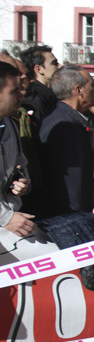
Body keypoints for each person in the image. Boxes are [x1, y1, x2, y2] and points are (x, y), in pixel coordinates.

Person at [38, 65, 94, 217]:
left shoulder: (62, 117)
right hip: (70, 216)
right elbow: (73, 180)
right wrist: (78, 216)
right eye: (92, 85)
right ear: (79, 91)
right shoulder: (66, 126)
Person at [0, 61, 34, 237]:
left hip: (12, 224)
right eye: (14, 91)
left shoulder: (9, 123)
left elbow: (20, 163)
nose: (21, 95)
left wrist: (22, 183)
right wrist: (5, 218)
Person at [18, 45, 59, 129]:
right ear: (39, 69)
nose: (59, 66)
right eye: (54, 63)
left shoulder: (51, 94)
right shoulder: (34, 99)